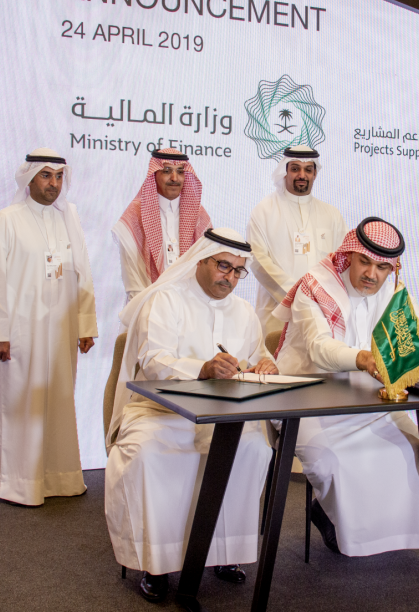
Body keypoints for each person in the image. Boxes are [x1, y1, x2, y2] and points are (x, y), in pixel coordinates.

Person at [105, 228, 276, 603]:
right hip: (160, 411)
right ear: (201, 260)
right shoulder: (165, 300)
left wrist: (266, 364)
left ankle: (225, 553)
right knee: (148, 454)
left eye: (238, 271)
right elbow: (153, 361)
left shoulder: (244, 311)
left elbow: (256, 357)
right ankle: (155, 565)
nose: (230, 278)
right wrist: (202, 369)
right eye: (223, 266)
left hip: (223, 417)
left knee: (254, 449)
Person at [272, 218, 419, 556]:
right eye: (365, 262)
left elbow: (404, 344)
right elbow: (319, 348)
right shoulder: (315, 286)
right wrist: (362, 359)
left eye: (382, 267)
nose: (372, 274)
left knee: (412, 445)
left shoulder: (393, 290)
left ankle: (375, 531)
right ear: (350, 255)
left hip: (363, 395)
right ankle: (331, 513)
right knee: (326, 461)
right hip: (301, 395)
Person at [0, 148, 98, 506]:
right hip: (20, 332)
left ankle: (59, 478)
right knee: (18, 405)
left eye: (59, 177)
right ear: (28, 178)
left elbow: (82, 275)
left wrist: (85, 325)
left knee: (58, 404)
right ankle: (14, 482)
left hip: (60, 331)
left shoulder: (68, 219)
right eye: (46, 175)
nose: (54, 184)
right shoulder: (6, 220)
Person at [247, 145, 347, 333]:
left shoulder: (331, 214)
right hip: (276, 313)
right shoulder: (264, 211)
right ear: (285, 172)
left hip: (321, 314)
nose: (302, 175)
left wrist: (322, 300)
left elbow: (343, 261)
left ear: (315, 174)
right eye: (295, 169)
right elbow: (258, 260)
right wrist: (298, 295)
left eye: (308, 170)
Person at [113, 148, 212, 303]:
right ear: (154, 174)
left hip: (190, 305)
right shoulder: (136, 214)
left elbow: (207, 264)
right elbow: (133, 277)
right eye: (167, 171)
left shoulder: (198, 214)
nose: (174, 178)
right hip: (148, 304)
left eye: (180, 172)